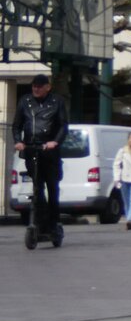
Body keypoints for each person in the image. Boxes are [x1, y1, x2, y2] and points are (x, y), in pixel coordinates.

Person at [12, 73, 69, 240]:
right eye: (34, 86)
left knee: (52, 187)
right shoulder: (25, 101)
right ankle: (40, 222)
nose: (36, 89)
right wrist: (18, 141)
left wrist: (55, 142)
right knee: (37, 188)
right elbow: (16, 126)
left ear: (47, 87)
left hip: (49, 151)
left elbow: (63, 126)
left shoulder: (57, 101)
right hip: (32, 149)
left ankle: (54, 223)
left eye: (39, 86)